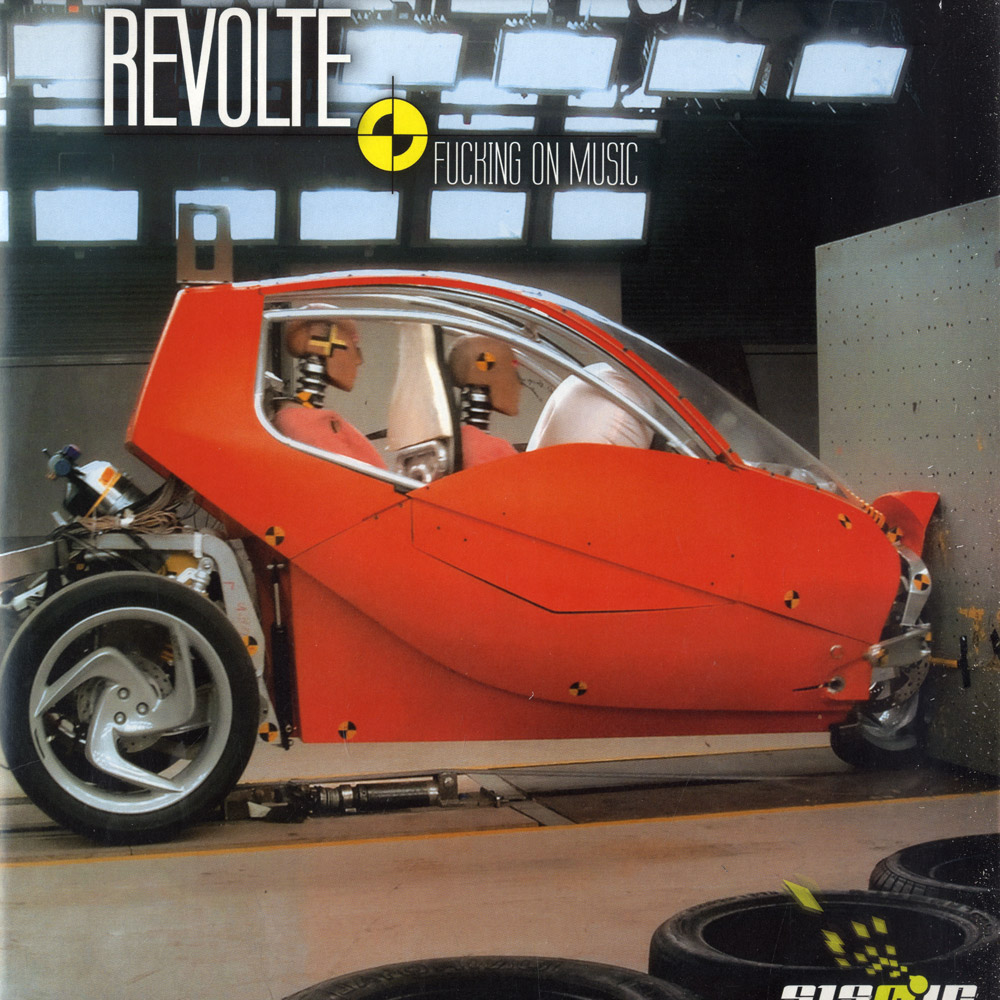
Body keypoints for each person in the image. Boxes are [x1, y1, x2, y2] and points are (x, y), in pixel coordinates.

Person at [274, 317, 386, 468]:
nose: (359, 360)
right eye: (353, 346)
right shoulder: (303, 424)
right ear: (320, 345)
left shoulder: (302, 420)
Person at [447, 335, 522, 468]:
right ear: (485, 375)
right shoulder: (496, 451)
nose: (520, 384)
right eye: (512, 370)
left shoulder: (450, 443)